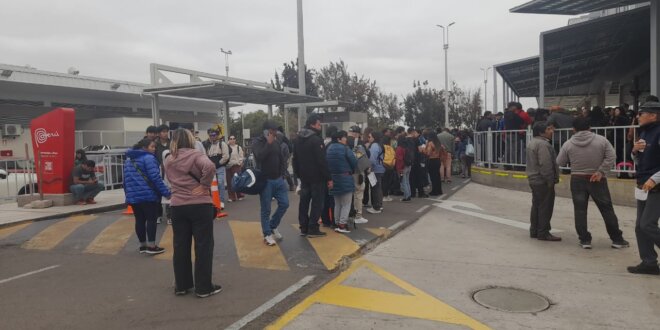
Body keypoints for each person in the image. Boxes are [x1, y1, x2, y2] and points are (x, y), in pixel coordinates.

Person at [164, 128, 221, 298]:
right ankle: (203, 287)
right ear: (190, 140)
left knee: (180, 246)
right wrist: (203, 185)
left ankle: (182, 285)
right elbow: (210, 167)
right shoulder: (196, 155)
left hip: (177, 206)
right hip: (199, 205)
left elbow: (170, 179)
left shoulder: (168, 159)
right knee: (203, 245)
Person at [556, 117, 629, 249]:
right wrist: (601, 171)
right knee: (607, 209)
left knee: (580, 211)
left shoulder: (568, 144)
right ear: (590, 127)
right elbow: (612, 156)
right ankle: (617, 239)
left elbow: (560, 162)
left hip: (577, 179)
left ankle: (584, 240)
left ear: (573, 129)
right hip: (597, 179)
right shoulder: (601, 140)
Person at [627, 100, 660, 275]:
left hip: (656, 185)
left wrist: (655, 179)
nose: (638, 116)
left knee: (648, 224)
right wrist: (634, 151)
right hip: (643, 184)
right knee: (640, 226)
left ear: (653, 115)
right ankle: (649, 262)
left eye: (641, 113)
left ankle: (649, 261)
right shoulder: (645, 133)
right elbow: (640, 161)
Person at [123, 138, 171, 254]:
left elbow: (125, 180)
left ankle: (143, 246)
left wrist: (128, 195)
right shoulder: (148, 158)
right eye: (152, 147)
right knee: (151, 220)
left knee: (139, 220)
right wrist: (166, 193)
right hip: (148, 195)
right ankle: (152, 246)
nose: (154, 149)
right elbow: (155, 178)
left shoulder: (129, 160)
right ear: (144, 148)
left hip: (133, 196)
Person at [293, 114, 331, 237]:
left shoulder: (298, 139)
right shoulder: (316, 140)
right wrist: (328, 177)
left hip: (304, 177)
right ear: (312, 125)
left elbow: (295, 159)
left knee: (303, 202)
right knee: (317, 203)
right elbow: (322, 161)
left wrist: (297, 174)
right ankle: (313, 228)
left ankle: (303, 227)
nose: (320, 127)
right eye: (319, 124)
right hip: (317, 177)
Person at [252, 120, 290, 245]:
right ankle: (267, 234)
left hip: (278, 179)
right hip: (265, 181)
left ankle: (273, 225)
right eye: (273, 130)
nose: (276, 132)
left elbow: (282, 159)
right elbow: (259, 156)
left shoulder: (277, 141)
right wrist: (268, 144)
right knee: (266, 209)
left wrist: (283, 174)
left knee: (284, 203)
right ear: (267, 131)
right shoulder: (257, 142)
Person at [526, 122, 561, 241]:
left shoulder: (532, 142)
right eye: (548, 129)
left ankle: (534, 230)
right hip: (542, 180)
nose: (551, 131)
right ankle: (543, 232)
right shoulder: (543, 145)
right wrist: (550, 180)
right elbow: (545, 164)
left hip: (534, 179)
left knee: (536, 205)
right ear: (542, 132)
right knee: (545, 207)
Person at [326, 130, 357, 233]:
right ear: (339, 139)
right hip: (345, 178)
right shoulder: (345, 149)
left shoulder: (329, 149)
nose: (346, 139)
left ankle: (337, 223)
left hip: (333, 179)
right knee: (346, 203)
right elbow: (354, 162)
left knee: (337, 203)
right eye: (344, 137)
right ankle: (342, 225)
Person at [202, 128, 230, 206]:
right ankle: (213, 201)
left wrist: (218, 163)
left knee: (220, 183)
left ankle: (221, 201)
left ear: (217, 135)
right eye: (210, 135)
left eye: (214, 135)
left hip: (220, 168)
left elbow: (226, 156)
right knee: (211, 185)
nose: (212, 137)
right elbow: (206, 156)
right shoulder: (208, 145)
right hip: (211, 168)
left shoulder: (222, 144)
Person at [347, 126, 369, 224]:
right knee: (358, 192)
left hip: (345, 172)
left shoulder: (342, 141)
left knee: (346, 194)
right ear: (357, 134)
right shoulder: (358, 143)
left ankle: (347, 214)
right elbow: (366, 155)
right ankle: (358, 215)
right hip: (357, 172)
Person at [365, 131, 385, 214]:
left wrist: (369, 167)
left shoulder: (374, 146)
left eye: (369, 137)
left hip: (374, 169)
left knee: (375, 188)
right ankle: (379, 205)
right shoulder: (380, 145)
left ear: (374, 137)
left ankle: (376, 207)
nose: (368, 139)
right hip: (380, 168)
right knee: (378, 188)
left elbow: (372, 159)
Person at [225, 135, 245, 202]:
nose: (232, 140)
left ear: (235, 140)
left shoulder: (238, 147)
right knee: (229, 182)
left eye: (233, 138)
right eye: (230, 139)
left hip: (236, 166)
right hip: (228, 166)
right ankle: (231, 197)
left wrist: (239, 163)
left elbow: (241, 156)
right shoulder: (226, 148)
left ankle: (239, 195)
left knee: (237, 181)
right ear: (228, 140)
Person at [395, 136, 412, 202]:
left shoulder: (399, 148)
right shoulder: (407, 147)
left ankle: (406, 196)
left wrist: (399, 169)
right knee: (407, 181)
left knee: (403, 182)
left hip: (402, 167)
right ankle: (409, 195)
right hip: (408, 166)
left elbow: (399, 159)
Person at [381, 136, 397, 202]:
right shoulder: (391, 148)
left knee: (383, 182)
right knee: (388, 182)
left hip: (384, 165)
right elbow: (394, 156)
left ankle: (384, 196)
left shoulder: (382, 147)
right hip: (391, 166)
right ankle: (387, 195)